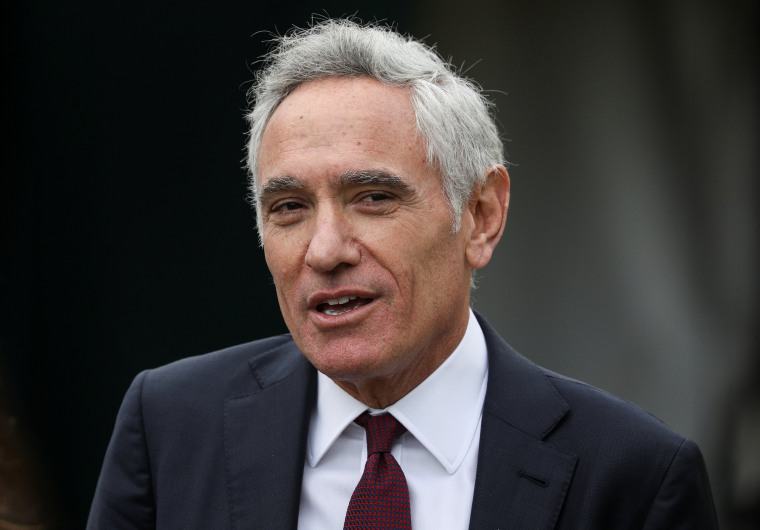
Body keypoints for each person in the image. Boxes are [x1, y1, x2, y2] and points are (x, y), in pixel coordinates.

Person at [87, 19, 718, 529]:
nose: (325, 250)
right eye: (289, 208)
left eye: (373, 198)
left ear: (481, 216)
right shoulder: (169, 426)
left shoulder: (633, 478)